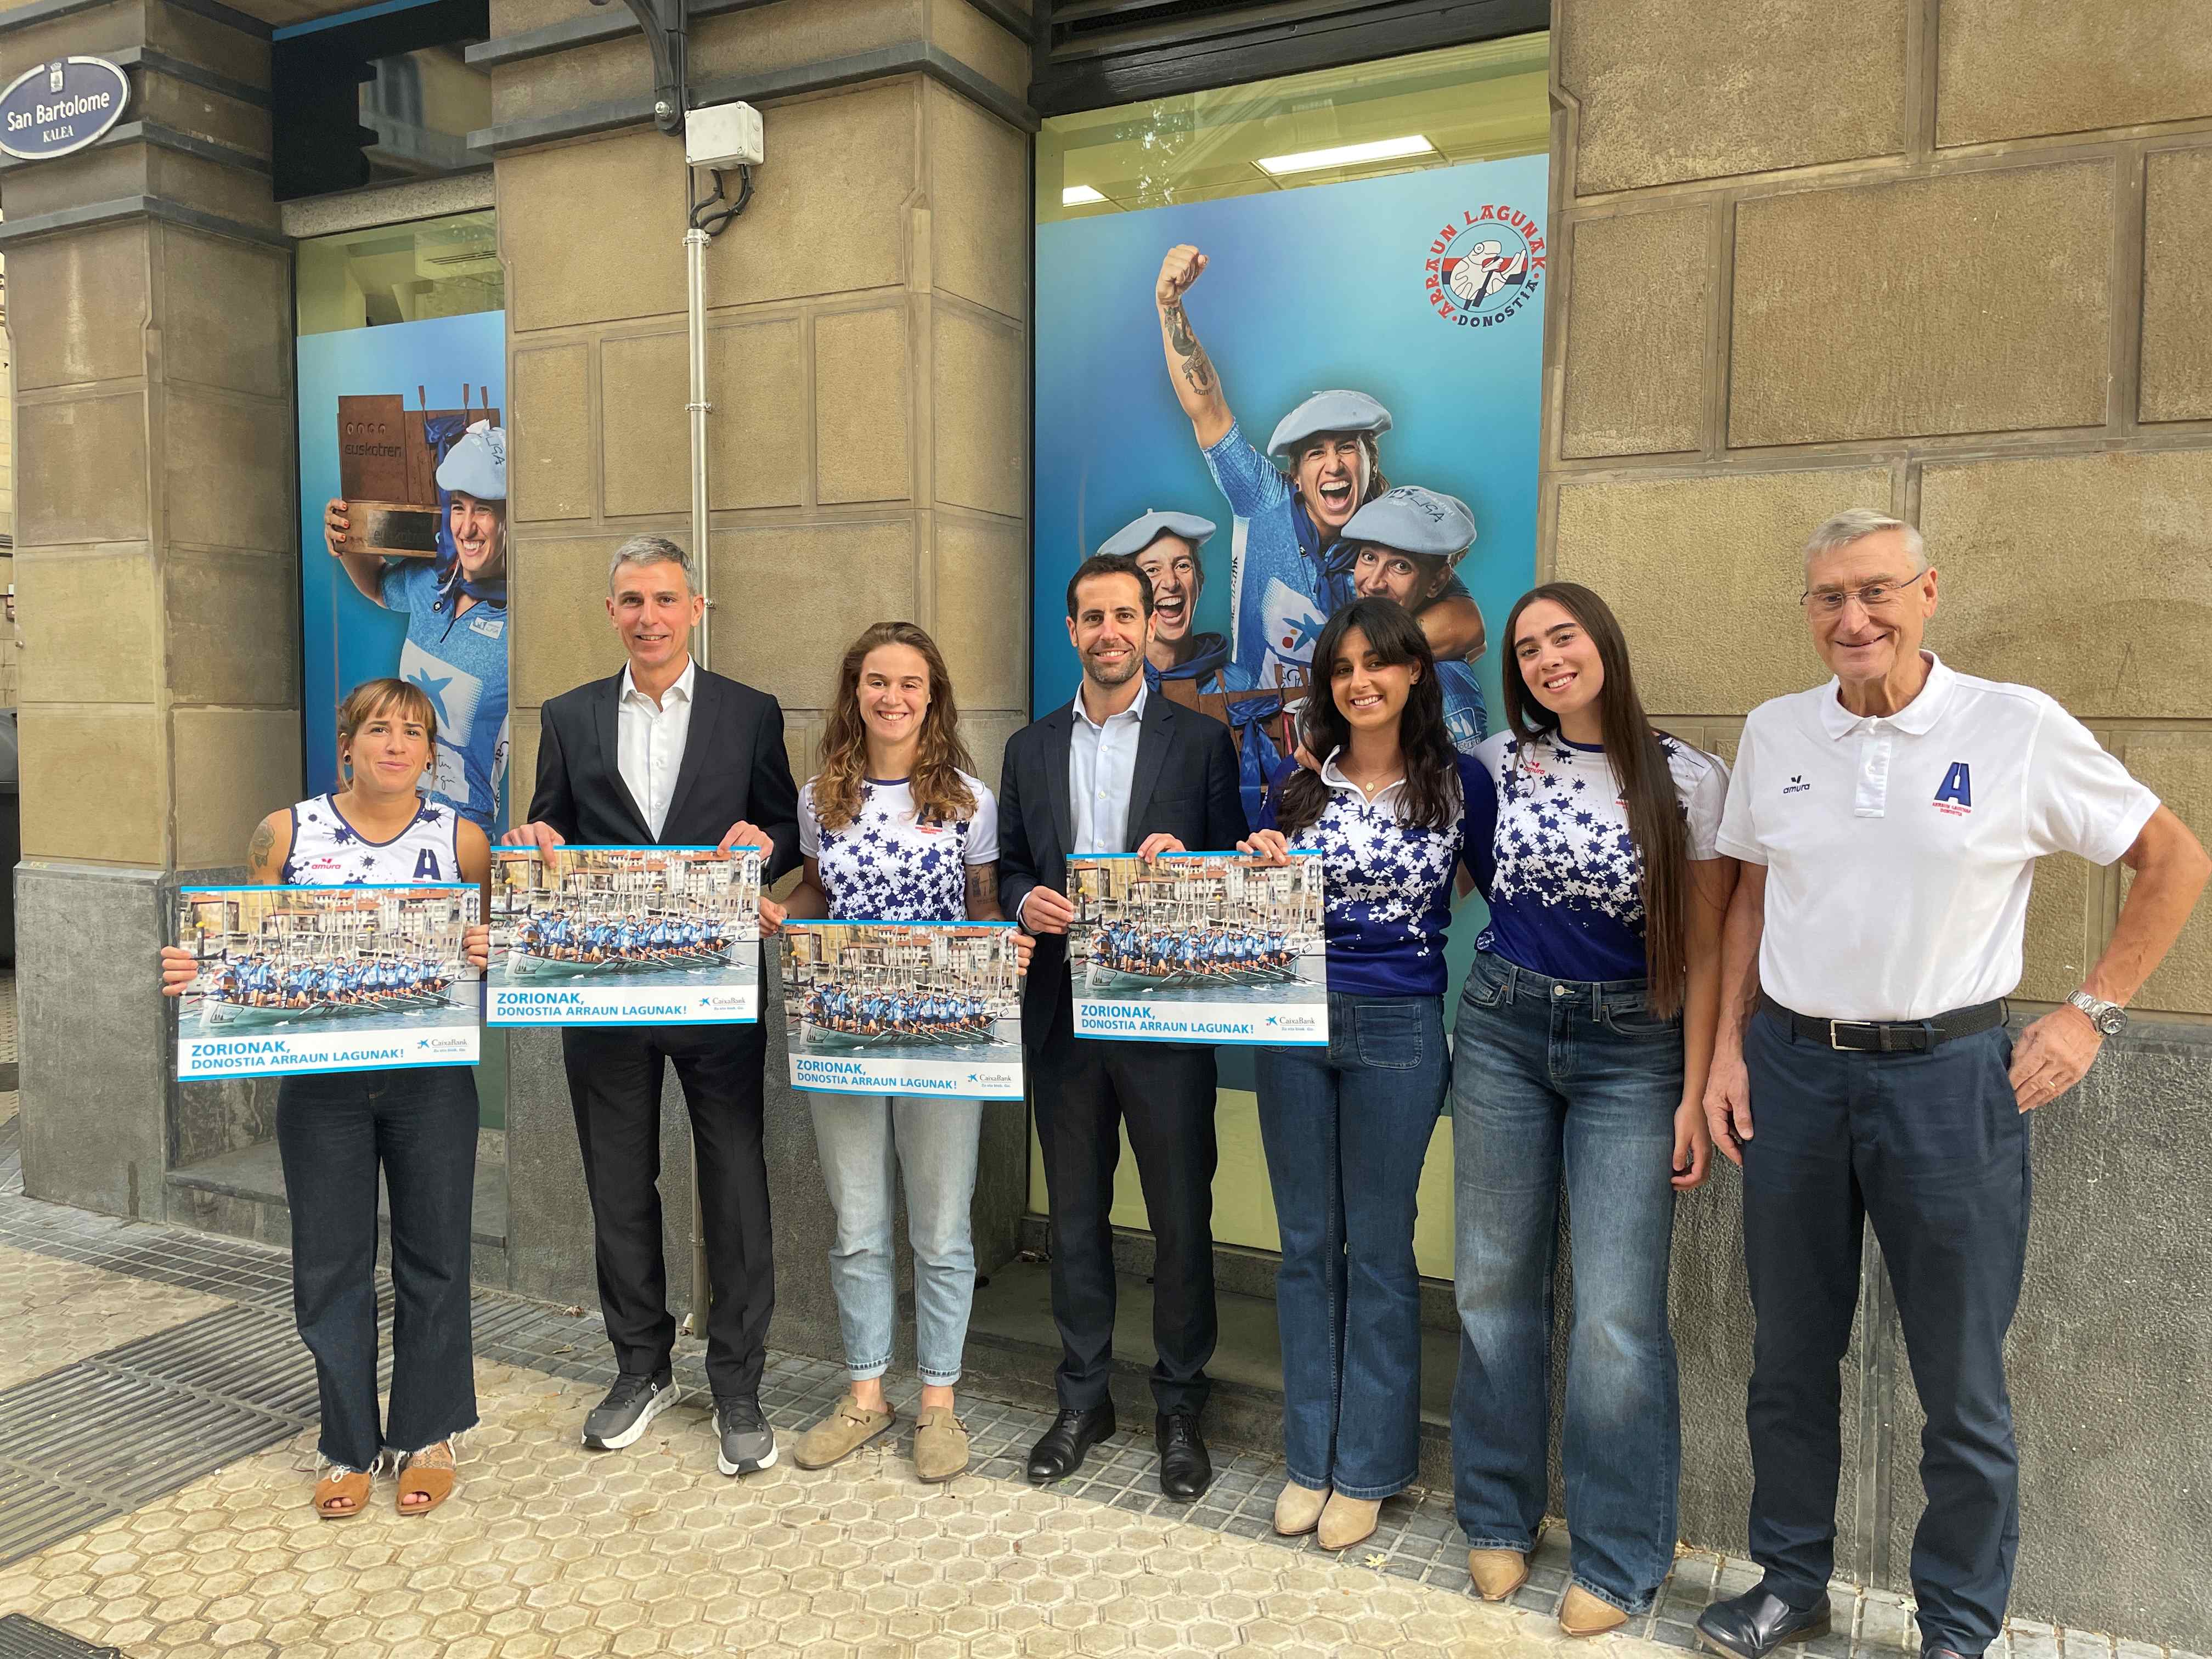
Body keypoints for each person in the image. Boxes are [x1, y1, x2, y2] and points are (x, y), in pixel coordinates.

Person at [1695, 511, 2209, 1659]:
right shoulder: (1777, 732)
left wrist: (2090, 1014)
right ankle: (1790, 1580)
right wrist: (1728, 1049)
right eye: (1828, 597)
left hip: (1949, 1082)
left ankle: (1960, 1624)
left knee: (1960, 1377)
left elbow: (2175, 860)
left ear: (1929, 592)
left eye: (1876, 591)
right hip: (1794, 1071)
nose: (1853, 618)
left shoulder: (2014, 726)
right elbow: (1751, 899)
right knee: (1788, 1353)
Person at [1448, 583, 1736, 1637]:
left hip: (1634, 1049)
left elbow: (1706, 951)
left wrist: (1697, 1089)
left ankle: (1619, 1553)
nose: (1544, 659)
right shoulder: (1487, 765)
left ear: (1603, 641)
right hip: (1501, 1031)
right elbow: (1454, 875)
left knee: (1615, 1312)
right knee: (1490, 1285)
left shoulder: (1689, 777)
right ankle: (1495, 1507)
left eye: (1562, 637)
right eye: (1526, 648)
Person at [504, 534, 803, 1480]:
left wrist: (768, 839)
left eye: (664, 598)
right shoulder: (570, 714)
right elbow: (550, 822)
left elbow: (786, 822)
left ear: (695, 607)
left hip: (713, 990)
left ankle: (738, 1382)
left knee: (735, 1183)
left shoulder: (749, 713)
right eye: (631, 599)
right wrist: (538, 835)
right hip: (604, 998)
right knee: (619, 1183)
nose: (648, 616)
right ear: (610, 612)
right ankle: (640, 1364)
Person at [159, 679, 493, 1520]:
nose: (395, 745)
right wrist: (200, 974)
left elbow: (496, 951)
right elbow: (245, 942)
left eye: (413, 733)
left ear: (429, 752)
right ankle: (344, 1440)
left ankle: (428, 1431)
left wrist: (495, 948)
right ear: (346, 743)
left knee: (436, 1256)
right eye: (379, 729)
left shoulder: (463, 840)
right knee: (331, 1262)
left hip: (431, 1078)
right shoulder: (287, 832)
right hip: (322, 1083)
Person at [1237, 596, 1485, 1554]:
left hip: (1400, 1028)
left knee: (1378, 1247)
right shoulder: (1295, 790)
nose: (1359, 682)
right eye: (1342, 668)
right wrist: (1256, 862)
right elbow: (1251, 912)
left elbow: (1501, 895)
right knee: (1306, 1242)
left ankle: (1371, 1466)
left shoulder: (1458, 784)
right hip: (1290, 1022)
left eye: (1378, 664)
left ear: (1413, 672)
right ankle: (1311, 1456)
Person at [997, 551, 1246, 1500]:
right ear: (1072, 630)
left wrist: (1186, 860)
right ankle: (1083, 1396)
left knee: (1182, 1216)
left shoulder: (1200, 743)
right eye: (1091, 616)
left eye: (1124, 615)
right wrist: (1024, 901)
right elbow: (1012, 866)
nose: (1108, 632)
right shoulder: (1027, 748)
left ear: (1151, 626)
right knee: (1074, 1214)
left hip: (1163, 1015)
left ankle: (1180, 1405)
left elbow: (1231, 870)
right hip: (1062, 1012)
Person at [760, 622, 1032, 1484]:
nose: (892, 698)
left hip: (945, 1037)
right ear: (854, 692)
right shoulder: (819, 797)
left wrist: (1006, 947)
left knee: (944, 1230)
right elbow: (812, 886)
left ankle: (940, 1403)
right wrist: (785, 917)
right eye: (877, 681)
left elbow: (982, 903)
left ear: (933, 697)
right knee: (857, 1224)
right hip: (842, 1031)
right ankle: (866, 1395)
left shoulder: (968, 800)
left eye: (909, 684)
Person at [323, 421, 510, 831]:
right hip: (390, 820)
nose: (467, 527)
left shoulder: (524, 626)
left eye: (484, 510)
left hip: (463, 832)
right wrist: (347, 540)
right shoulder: (432, 580)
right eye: (459, 507)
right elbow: (377, 585)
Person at [1335, 485, 1489, 752]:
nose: (1373, 583)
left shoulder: (1445, 682)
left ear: (1437, 583)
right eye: (1369, 557)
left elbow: (1458, 783)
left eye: (1401, 566)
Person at [1096, 510, 1234, 693]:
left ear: (1200, 580)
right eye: (1152, 570)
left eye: (1182, 566)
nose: (1171, 583)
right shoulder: (1109, 692)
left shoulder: (1240, 686)